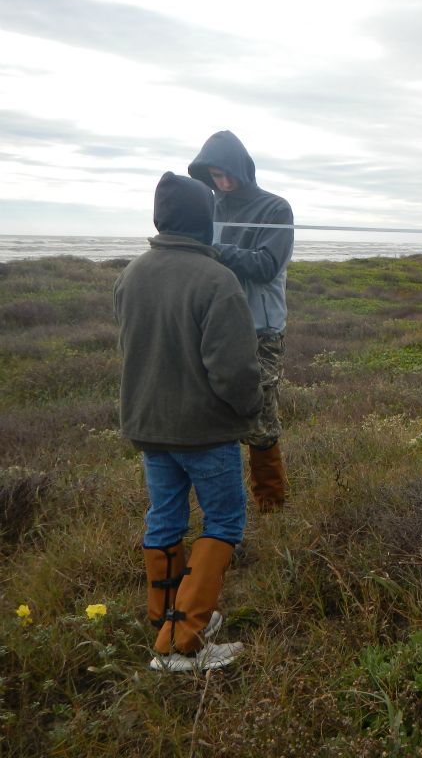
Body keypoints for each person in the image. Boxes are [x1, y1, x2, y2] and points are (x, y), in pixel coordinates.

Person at [114, 172, 264, 672]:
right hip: (204, 430)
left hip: (150, 427)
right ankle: (181, 642)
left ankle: (166, 615)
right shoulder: (216, 278)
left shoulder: (132, 273)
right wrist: (250, 409)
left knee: (165, 519)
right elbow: (236, 369)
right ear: (205, 222)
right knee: (222, 522)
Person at [189, 130, 294, 512]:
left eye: (228, 174)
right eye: (215, 176)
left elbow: (266, 267)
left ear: (244, 168)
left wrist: (213, 249)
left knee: (260, 415)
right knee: (215, 412)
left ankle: (271, 504)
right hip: (213, 323)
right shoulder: (208, 206)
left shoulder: (276, 209)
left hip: (261, 329)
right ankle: (226, 507)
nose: (224, 184)